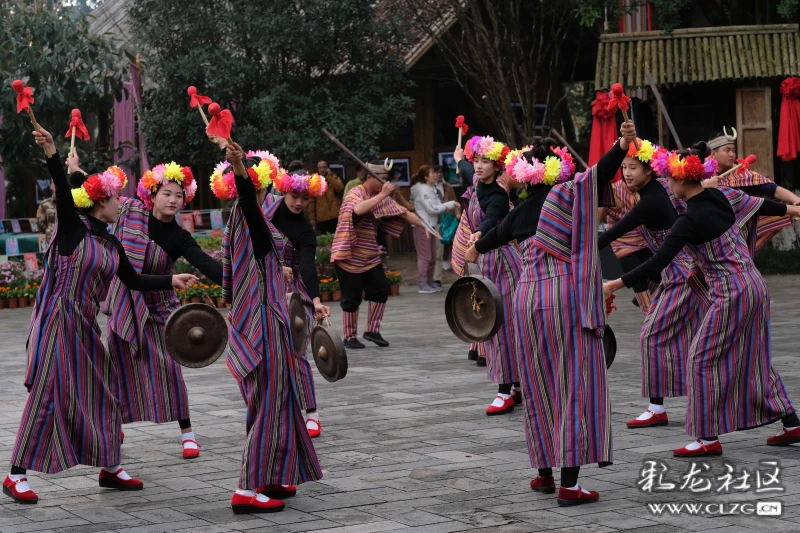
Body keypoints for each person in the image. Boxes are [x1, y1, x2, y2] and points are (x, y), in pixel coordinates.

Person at [3, 128, 197, 504]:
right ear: (99, 202)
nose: (121, 203)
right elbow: (63, 189)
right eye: (114, 199)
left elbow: (135, 280)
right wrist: (53, 153)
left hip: (86, 325)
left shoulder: (111, 241)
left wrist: (171, 278)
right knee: (49, 393)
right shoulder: (72, 230)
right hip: (59, 320)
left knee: (106, 394)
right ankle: (16, 475)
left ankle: (110, 467)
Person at [467, 122, 636, 505]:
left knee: (539, 381)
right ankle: (570, 485)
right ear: (558, 169)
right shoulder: (569, 196)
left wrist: (473, 250)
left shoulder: (520, 211)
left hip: (525, 300)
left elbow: (485, 241)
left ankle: (544, 474)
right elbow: (600, 172)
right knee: (571, 384)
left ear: (524, 175)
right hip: (564, 297)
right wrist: (622, 144)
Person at [604, 142, 800, 458]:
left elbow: (658, 263)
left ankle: (707, 438)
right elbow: (756, 204)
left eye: (669, 179)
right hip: (753, 287)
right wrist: (791, 208)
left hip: (731, 293)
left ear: (682, 180)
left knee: (701, 357)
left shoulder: (689, 220)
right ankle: (791, 423)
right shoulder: (720, 196)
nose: (667, 184)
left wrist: (612, 284)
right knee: (750, 358)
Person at [215, 143, 322, 513]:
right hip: (263, 326)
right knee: (269, 405)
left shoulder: (243, 222)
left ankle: (272, 475)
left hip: (257, 320)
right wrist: (240, 167)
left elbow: (258, 261)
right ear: (260, 187)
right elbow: (249, 204)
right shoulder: (250, 217)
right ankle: (246, 489)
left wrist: (281, 271)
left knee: (272, 402)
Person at [102, 160, 222, 459]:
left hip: (161, 309)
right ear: (151, 195)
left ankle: (187, 433)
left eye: (179, 196)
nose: (173, 200)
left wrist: (242, 280)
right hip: (126, 302)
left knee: (170, 369)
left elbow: (205, 263)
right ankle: (115, 424)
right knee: (118, 368)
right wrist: (73, 169)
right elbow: (99, 194)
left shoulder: (179, 236)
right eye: (167, 193)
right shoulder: (129, 212)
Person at [597, 138, 707, 429]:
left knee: (653, 334)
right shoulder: (653, 193)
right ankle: (661, 406)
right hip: (677, 274)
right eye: (623, 168)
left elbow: (615, 231)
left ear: (650, 170)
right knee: (680, 337)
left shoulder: (652, 200)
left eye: (633, 167)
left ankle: (663, 407)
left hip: (683, 276)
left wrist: (584, 255)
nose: (627, 174)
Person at [450, 136, 523, 416]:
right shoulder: (476, 179)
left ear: (497, 167)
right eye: (476, 161)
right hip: (484, 261)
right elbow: (466, 169)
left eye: (485, 162)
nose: (478, 166)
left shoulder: (498, 195)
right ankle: (515, 386)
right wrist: (459, 158)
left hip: (501, 262)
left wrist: (479, 235)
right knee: (498, 324)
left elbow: (492, 217)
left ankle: (505, 391)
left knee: (500, 324)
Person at [332, 160, 430, 349]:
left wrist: (423, 225)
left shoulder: (380, 196)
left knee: (380, 291)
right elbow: (358, 209)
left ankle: (372, 331)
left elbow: (403, 213)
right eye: (382, 179)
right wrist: (384, 194)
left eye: (387, 179)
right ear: (370, 177)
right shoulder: (356, 193)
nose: (387, 183)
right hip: (348, 256)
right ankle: (349, 335)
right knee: (351, 298)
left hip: (370, 256)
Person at [264, 167, 332, 438]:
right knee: (268, 353)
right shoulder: (266, 211)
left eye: (305, 198)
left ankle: (312, 413)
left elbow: (307, 266)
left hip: (294, 292)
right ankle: (274, 411)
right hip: (264, 285)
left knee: (298, 350)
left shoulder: (305, 229)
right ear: (283, 190)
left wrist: (315, 301)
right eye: (295, 196)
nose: (299, 203)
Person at [602, 179, 657, 313]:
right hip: (622, 242)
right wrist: (603, 200)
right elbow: (600, 218)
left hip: (643, 239)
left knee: (657, 274)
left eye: (633, 168)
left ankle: (640, 299)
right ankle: (649, 315)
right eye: (626, 168)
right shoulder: (614, 190)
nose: (629, 172)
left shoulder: (649, 189)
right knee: (639, 280)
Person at [410, 165, 458, 294]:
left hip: (431, 225)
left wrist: (448, 204)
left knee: (432, 256)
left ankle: (430, 281)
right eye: (432, 172)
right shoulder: (422, 190)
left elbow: (437, 206)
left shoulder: (431, 188)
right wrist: (451, 204)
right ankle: (423, 283)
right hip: (422, 226)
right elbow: (432, 208)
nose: (435, 174)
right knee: (425, 256)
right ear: (426, 177)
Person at [432, 164, 460, 285]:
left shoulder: (447, 186)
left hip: (447, 219)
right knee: (435, 250)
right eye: (436, 172)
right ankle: (433, 277)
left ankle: (439, 274)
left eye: (440, 172)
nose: (438, 175)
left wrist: (457, 214)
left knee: (448, 242)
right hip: (433, 221)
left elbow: (454, 200)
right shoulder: (427, 188)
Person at [307, 160, 344, 235]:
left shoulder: (333, 177)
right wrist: (312, 219)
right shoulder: (314, 181)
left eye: (324, 167)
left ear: (327, 168)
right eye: (320, 168)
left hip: (336, 216)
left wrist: (329, 177)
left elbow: (340, 188)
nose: (322, 170)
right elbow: (311, 202)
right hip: (322, 218)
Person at [35, 181, 56, 246]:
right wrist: (50, 230)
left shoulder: (70, 203)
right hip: (51, 241)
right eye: (55, 183)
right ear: (51, 186)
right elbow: (40, 224)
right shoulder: (44, 204)